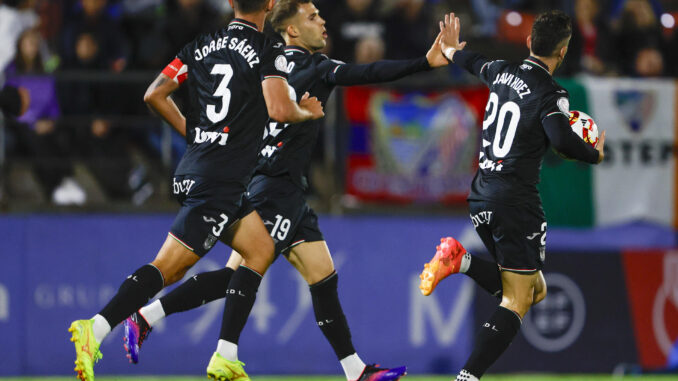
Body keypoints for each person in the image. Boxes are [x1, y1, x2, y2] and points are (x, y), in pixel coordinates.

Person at [121, 0, 450, 380]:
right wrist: (424, 62)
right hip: (271, 186)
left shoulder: (265, 64)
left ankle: (356, 370)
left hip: (284, 187)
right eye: (312, 17)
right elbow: (369, 71)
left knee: (322, 276)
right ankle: (177, 331)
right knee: (239, 275)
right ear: (291, 30)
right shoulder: (314, 67)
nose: (323, 21)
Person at [67, 0, 324, 379]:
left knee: (260, 250)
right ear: (270, 6)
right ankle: (96, 328)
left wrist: (195, 136)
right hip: (219, 181)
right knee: (166, 270)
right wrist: (307, 112)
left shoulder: (200, 45)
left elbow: (154, 94)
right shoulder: (267, 50)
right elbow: (278, 109)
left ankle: (225, 354)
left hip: (205, 170)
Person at [418, 11, 606, 381]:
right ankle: (467, 377)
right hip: (515, 202)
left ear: (528, 42)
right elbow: (563, 140)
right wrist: (594, 153)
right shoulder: (552, 94)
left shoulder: (502, 71)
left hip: (481, 195)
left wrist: (452, 51)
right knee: (517, 300)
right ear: (563, 51)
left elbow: (474, 61)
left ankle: (459, 260)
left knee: (535, 289)